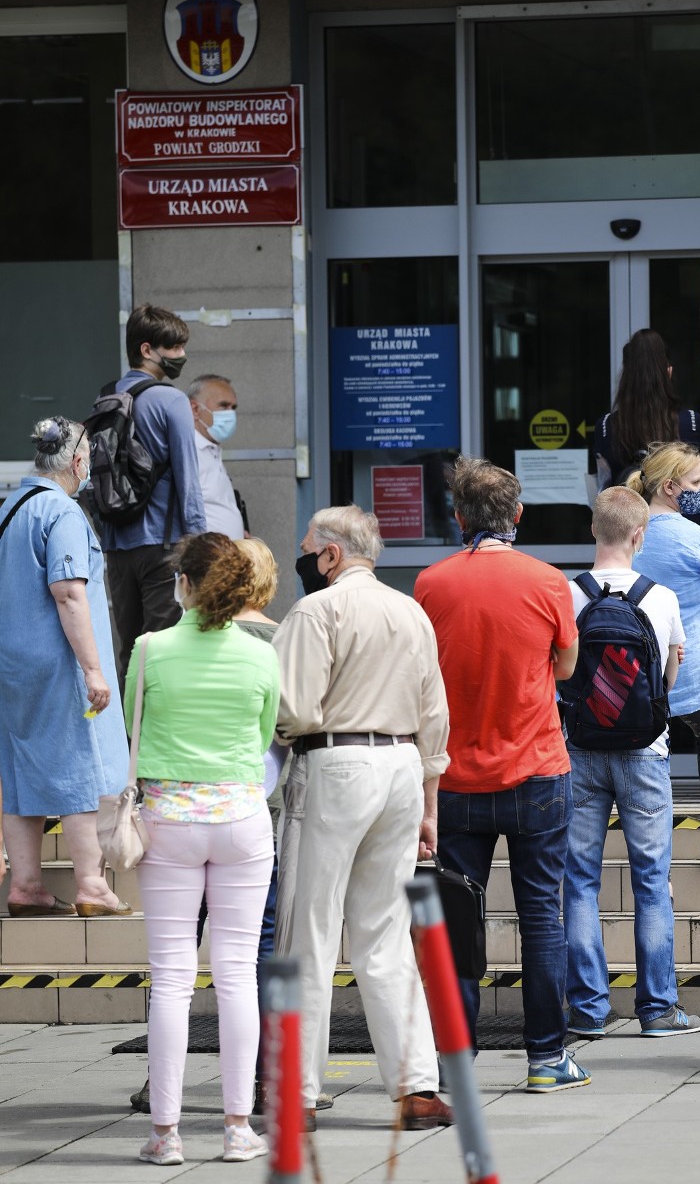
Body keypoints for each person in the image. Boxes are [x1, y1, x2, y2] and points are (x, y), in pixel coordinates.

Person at [274, 505, 453, 1131]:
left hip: (336, 763)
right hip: (403, 766)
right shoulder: (411, 611)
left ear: (330, 555)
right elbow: (435, 718)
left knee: (309, 935)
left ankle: (296, 1093)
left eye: (308, 548)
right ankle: (417, 1086)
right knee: (385, 933)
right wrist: (431, 806)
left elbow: (293, 710)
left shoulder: (316, 611)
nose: (305, 559)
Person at [415, 456, 589, 1093]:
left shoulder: (431, 584)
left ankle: (454, 1066)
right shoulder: (548, 581)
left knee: (459, 921)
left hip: (457, 779)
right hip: (537, 772)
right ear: (518, 515)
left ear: (458, 516)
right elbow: (567, 669)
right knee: (544, 916)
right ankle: (547, 1058)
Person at [128, 532, 279, 1167]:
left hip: (167, 819)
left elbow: (131, 724)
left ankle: (165, 1135)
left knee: (171, 980)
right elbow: (269, 732)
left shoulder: (150, 649)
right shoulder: (260, 655)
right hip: (242, 817)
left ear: (182, 584)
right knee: (238, 974)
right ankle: (239, 1128)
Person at [562, 487, 700, 1039]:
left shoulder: (568, 594)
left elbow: (559, 675)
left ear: (594, 531)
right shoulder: (661, 598)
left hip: (581, 749)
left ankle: (590, 1011)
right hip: (646, 753)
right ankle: (659, 1010)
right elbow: (666, 685)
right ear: (639, 535)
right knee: (651, 879)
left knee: (578, 881)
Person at [0, 417, 130, 918]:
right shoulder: (63, 512)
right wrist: (94, 670)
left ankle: (27, 885)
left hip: (12, 667)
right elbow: (69, 592)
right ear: (78, 461)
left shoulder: (10, 507)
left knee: (18, 773)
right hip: (59, 663)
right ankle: (92, 885)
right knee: (80, 767)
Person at [626, 442, 700, 866]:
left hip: (637, 671)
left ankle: (657, 856)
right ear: (671, 487)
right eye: (696, 482)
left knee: (651, 749)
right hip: (690, 665)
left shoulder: (631, 535)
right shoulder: (698, 538)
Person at [96, 304, 207, 687]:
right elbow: (188, 480)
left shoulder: (106, 397)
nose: (181, 356)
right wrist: (199, 546)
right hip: (164, 547)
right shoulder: (170, 400)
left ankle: (128, 741)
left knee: (129, 649)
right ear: (147, 349)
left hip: (116, 547)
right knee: (164, 648)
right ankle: (159, 739)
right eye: (173, 347)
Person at [595, 328, 700, 522]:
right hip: (683, 539)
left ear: (626, 377)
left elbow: (603, 491)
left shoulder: (606, 427)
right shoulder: (693, 423)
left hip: (629, 543)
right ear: (668, 373)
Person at [187, 374, 247, 540]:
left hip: (226, 558)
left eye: (233, 407)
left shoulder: (211, 450)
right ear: (195, 409)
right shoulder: (189, 454)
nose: (230, 413)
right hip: (204, 559)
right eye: (223, 406)